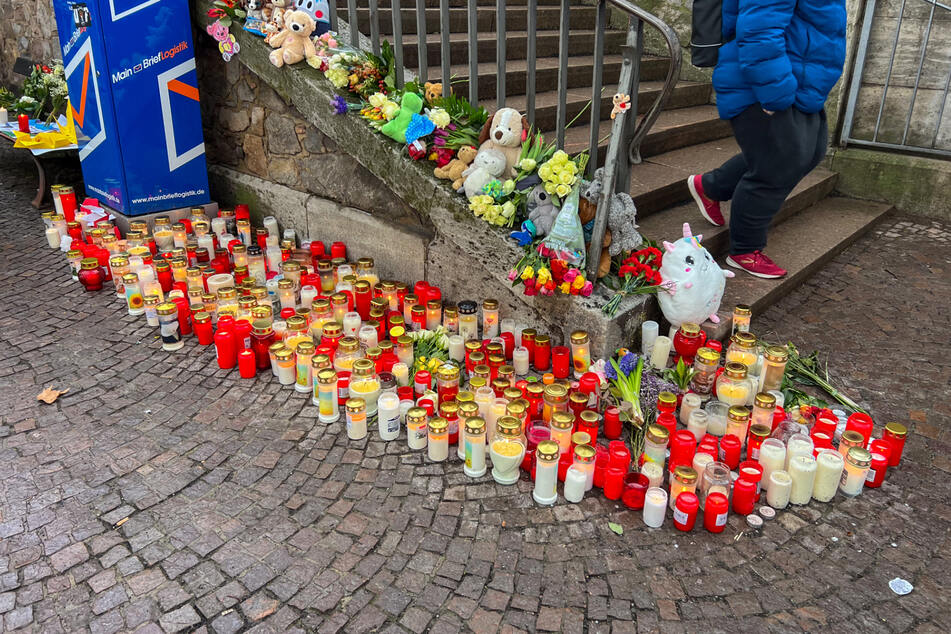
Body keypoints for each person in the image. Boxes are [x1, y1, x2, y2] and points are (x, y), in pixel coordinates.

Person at [686, 0, 846, 278]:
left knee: (810, 152)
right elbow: (760, 30)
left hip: (800, 80)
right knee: (778, 164)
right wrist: (774, 92)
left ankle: (712, 185)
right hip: (765, 83)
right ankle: (744, 250)